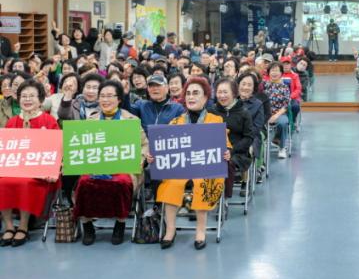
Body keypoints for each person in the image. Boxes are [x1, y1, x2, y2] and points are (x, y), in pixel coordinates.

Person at [152, 76, 230, 250]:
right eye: (188, 93)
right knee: (171, 184)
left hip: (205, 170)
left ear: (205, 97)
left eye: (196, 93)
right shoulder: (176, 122)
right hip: (181, 168)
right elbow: (164, 148)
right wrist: (154, 156)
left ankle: (200, 231)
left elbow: (225, 144)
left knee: (202, 183)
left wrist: (227, 152)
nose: (191, 97)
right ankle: (170, 230)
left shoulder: (215, 121)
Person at [73, 80, 149, 246]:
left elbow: (144, 145)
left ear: (119, 99)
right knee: (84, 182)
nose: (105, 100)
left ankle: (120, 224)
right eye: (102, 96)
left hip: (124, 168)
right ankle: (87, 225)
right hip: (95, 168)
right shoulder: (90, 121)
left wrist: (141, 160)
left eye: (109, 96)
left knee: (121, 182)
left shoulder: (131, 120)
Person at [0, 80, 60, 247]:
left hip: (39, 172)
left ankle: (23, 226)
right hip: (13, 169)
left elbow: (56, 150)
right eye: (24, 96)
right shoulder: (12, 122)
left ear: (40, 100)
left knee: (25, 182)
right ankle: (9, 226)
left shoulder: (49, 121)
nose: (27, 99)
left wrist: (52, 170)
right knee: (2, 182)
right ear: (18, 99)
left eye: (32, 96)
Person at [212, 78, 255, 197]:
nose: (222, 96)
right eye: (219, 92)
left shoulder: (244, 112)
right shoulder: (211, 111)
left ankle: (224, 197)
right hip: (214, 150)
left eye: (225, 92)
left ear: (234, 93)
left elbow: (248, 137)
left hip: (237, 152)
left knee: (227, 163)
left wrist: (232, 150)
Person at [263, 62, 292, 159]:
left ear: (281, 73)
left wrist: (276, 116)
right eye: (272, 70)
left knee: (282, 123)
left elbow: (286, 105)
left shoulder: (285, 87)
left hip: (279, 113)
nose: (274, 73)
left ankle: (282, 147)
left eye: (276, 71)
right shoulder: (264, 85)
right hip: (265, 113)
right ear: (268, 72)